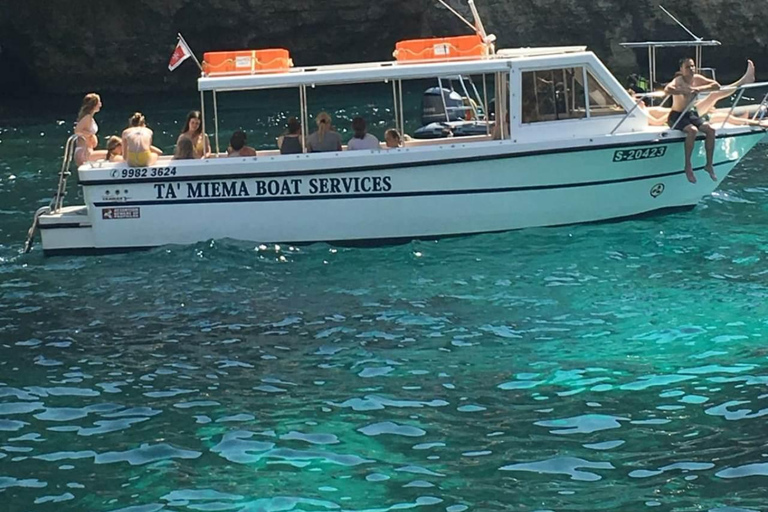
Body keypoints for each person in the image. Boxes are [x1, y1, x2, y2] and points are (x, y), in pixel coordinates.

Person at [664, 58, 720, 184]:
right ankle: (688, 166)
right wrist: (683, 90)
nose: (691, 69)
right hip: (677, 116)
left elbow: (716, 85)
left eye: (692, 66)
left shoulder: (697, 79)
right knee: (692, 131)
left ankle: (709, 164)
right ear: (681, 70)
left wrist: (699, 89)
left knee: (710, 130)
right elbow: (667, 89)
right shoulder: (679, 80)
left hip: (691, 114)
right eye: (688, 67)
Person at [74, 93, 106, 165]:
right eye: (99, 102)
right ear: (94, 105)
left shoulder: (90, 118)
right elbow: (77, 131)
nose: (100, 104)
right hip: (84, 153)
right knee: (110, 154)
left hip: (88, 151)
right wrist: (90, 135)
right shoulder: (87, 117)